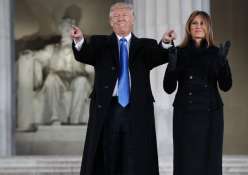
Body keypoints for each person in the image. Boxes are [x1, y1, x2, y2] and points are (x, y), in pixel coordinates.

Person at [70, 2, 175, 175]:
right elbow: (85, 54)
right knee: (107, 158)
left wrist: (165, 42)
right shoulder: (99, 43)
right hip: (108, 109)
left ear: (133, 19)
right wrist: (79, 40)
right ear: (110, 22)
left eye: (124, 15)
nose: (120, 19)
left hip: (137, 110)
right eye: (116, 16)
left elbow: (159, 55)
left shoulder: (145, 46)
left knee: (135, 158)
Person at [163, 11, 232, 175]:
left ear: (208, 27)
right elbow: (168, 88)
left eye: (202, 23)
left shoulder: (217, 52)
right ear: (189, 27)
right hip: (184, 114)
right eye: (194, 23)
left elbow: (226, 86)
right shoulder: (178, 52)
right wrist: (172, 67)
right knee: (185, 162)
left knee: (210, 162)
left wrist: (222, 64)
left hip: (211, 114)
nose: (198, 26)